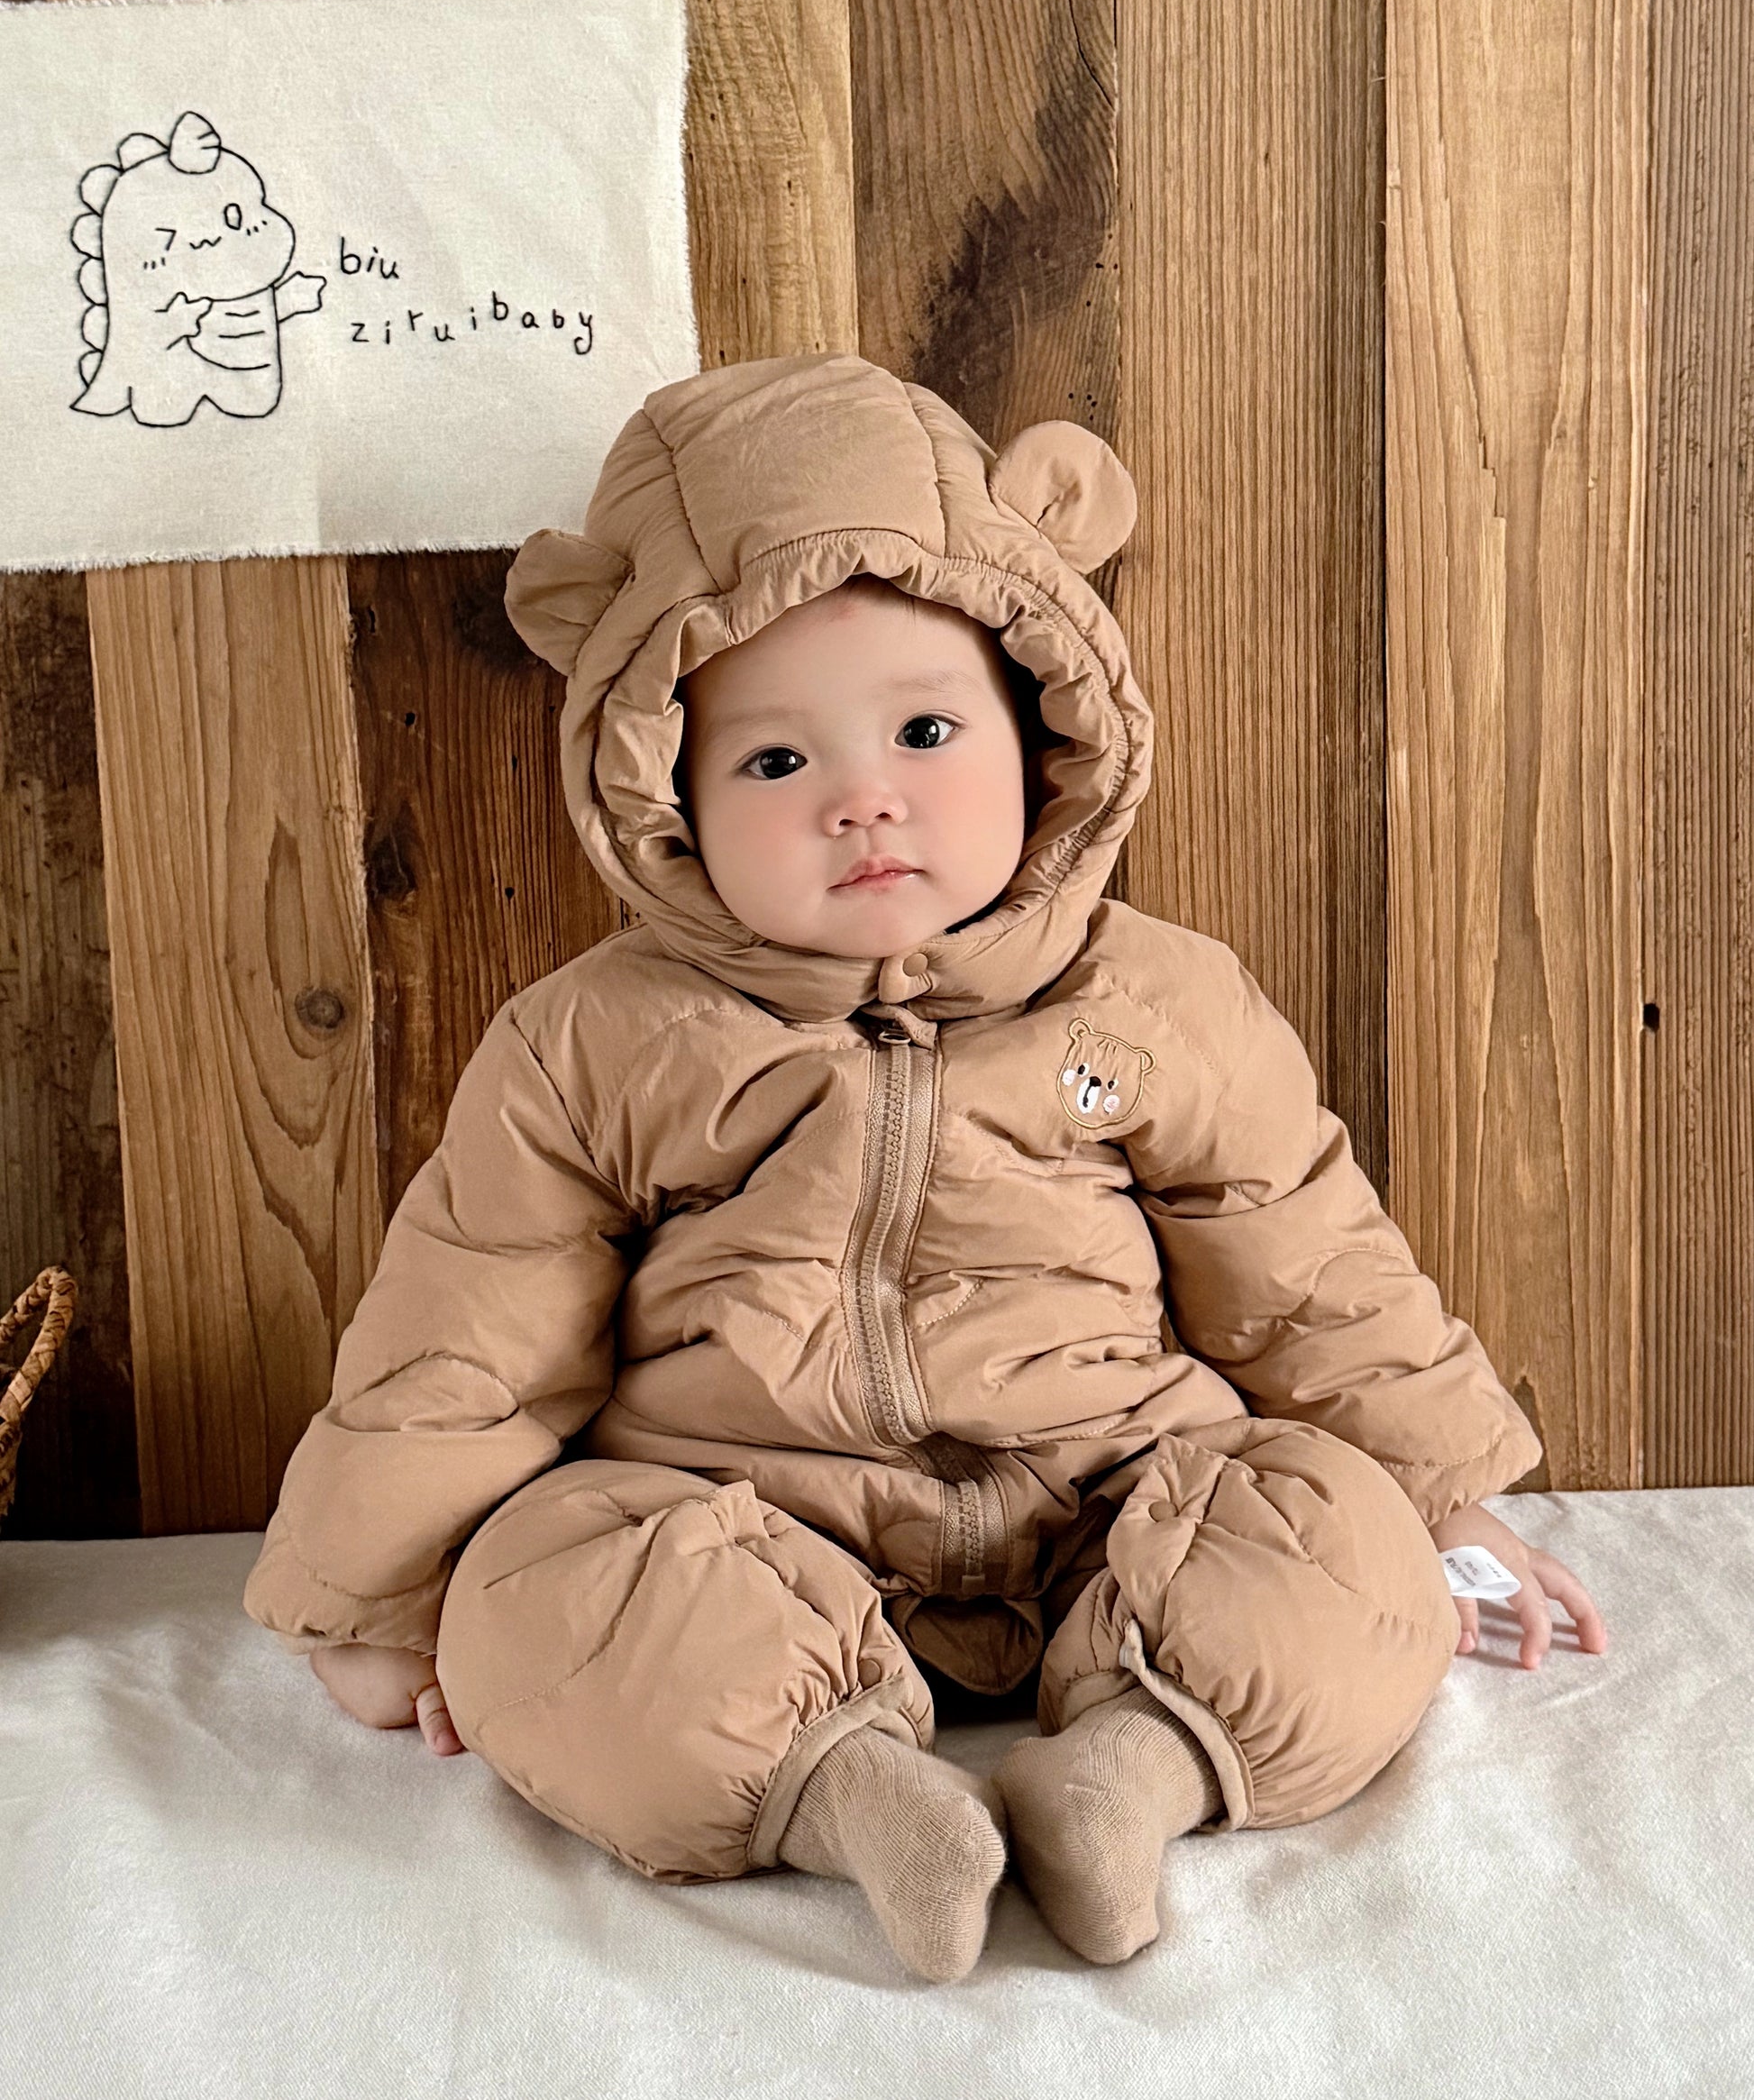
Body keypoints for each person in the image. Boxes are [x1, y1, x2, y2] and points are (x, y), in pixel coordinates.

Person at [243, 352, 1606, 1986]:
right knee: (538, 1596)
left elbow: (1304, 1262)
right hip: (743, 1515)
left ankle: (1134, 1768)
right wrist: (377, 1605)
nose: (861, 800)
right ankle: (853, 1799)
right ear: (655, 799)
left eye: (923, 729)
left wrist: (1448, 1493)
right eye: (773, 764)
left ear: (1044, 730)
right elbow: (466, 1333)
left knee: (1339, 1542)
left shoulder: (1162, 1000)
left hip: (1112, 1500)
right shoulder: (590, 1042)